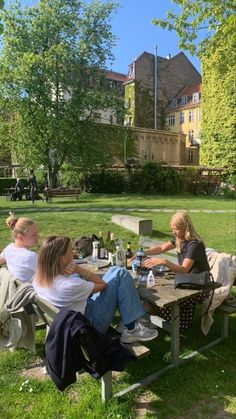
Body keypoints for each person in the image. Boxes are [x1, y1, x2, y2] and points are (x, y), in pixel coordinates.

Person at [33, 236, 158, 344]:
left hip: (69, 323)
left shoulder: (39, 279)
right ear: (60, 258)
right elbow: (102, 285)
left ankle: (129, 319)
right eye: (70, 250)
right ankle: (131, 329)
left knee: (114, 271)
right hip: (88, 328)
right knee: (120, 273)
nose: (73, 252)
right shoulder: (68, 285)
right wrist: (78, 269)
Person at [143, 211, 210, 330]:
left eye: (176, 229)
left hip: (198, 285)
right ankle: (154, 319)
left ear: (186, 227)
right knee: (150, 295)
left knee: (156, 298)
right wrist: (143, 252)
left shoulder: (194, 245)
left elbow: (184, 269)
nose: (174, 232)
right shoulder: (180, 238)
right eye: (172, 229)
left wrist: (165, 262)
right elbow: (161, 248)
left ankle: (162, 321)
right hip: (185, 281)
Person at [0, 214, 39, 282]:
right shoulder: (30, 257)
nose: (38, 236)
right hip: (30, 291)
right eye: (33, 235)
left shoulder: (8, 249)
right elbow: (51, 275)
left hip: (15, 289)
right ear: (20, 237)